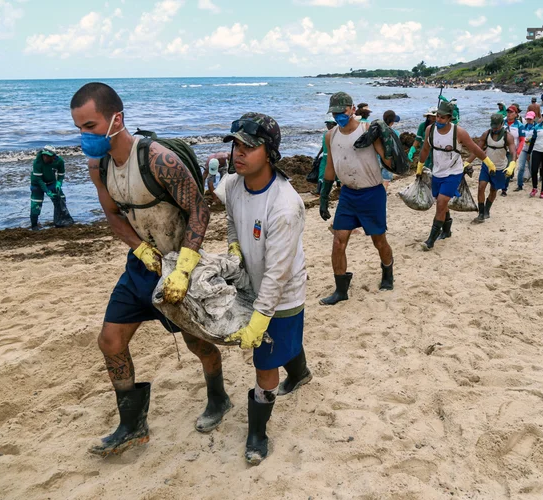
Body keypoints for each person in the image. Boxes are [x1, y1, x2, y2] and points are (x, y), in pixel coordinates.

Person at [70, 82, 224, 456]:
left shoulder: (157, 159)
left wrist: (184, 266)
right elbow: (112, 214)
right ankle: (131, 425)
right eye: (79, 128)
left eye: (90, 126)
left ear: (115, 119)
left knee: (197, 343)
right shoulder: (99, 166)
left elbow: (199, 209)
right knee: (110, 341)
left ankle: (218, 398)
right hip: (140, 268)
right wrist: (139, 248)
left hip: (178, 265)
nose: (84, 137)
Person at [222, 112, 311, 465]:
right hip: (249, 282)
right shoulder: (232, 184)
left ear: (270, 152)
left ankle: (257, 432)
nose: (238, 153)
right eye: (235, 145)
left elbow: (277, 274)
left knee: (264, 360)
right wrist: (233, 247)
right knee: (283, 346)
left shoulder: (285, 206)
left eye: (249, 146)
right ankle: (301, 373)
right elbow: (230, 219)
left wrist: (260, 319)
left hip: (283, 292)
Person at [319, 92, 394, 305]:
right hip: (348, 195)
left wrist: (387, 139)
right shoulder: (330, 136)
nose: (338, 116)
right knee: (338, 241)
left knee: (379, 241)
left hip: (372, 193)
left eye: (341, 112)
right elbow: (331, 166)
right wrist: (324, 196)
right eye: (334, 113)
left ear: (352, 109)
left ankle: (388, 272)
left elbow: (388, 160)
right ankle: (341, 290)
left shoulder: (368, 130)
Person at [415, 101, 495, 249]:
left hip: (453, 172)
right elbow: (425, 149)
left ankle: (430, 241)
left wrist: (489, 162)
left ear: (449, 118)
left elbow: (475, 148)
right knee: (442, 203)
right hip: (437, 171)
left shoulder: (459, 133)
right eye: (437, 116)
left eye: (442, 117)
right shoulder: (429, 130)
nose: (438, 120)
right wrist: (420, 166)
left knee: (441, 202)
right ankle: (447, 230)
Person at [467, 114, 517, 223]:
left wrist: (512, 165)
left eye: (497, 126)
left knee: (493, 190)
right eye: (493, 126)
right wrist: (466, 163)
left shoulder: (508, 136)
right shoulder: (486, 134)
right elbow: (477, 150)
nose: (494, 128)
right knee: (481, 187)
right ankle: (480, 214)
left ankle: (487, 210)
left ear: (502, 124)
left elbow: (513, 152)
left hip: (500, 168)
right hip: (487, 166)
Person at [29, 145, 67, 230]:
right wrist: (47, 191)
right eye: (44, 155)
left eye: (48, 156)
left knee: (61, 198)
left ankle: (60, 221)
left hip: (51, 182)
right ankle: (34, 225)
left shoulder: (59, 161)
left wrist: (59, 183)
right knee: (36, 204)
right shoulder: (37, 162)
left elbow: (61, 175)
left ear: (53, 156)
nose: (45, 158)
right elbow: (39, 180)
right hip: (37, 184)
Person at [501, 105, 525, 197]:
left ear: (516, 114)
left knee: (508, 168)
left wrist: (518, 152)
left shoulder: (519, 125)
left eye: (511, 112)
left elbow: (522, 140)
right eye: (508, 112)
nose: (509, 114)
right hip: (501, 149)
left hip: (512, 151)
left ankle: (504, 189)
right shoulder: (502, 122)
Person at [513, 111, 536, 192]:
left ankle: (534, 186)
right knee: (521, 167)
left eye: (530, 119)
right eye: (528, 119)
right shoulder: (523, 127)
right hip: (524, 149)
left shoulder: (536, 127)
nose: (529, 120)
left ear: (533, 119)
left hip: (533, 149)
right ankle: (519, 185)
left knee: (532, 168)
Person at [381, 110, 401, 189]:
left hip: (377, 158)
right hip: (389, 159)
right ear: (392, 122)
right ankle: (383, 195)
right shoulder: (395, 133)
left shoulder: (378, 130)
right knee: (385, 181)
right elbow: (396, 149)